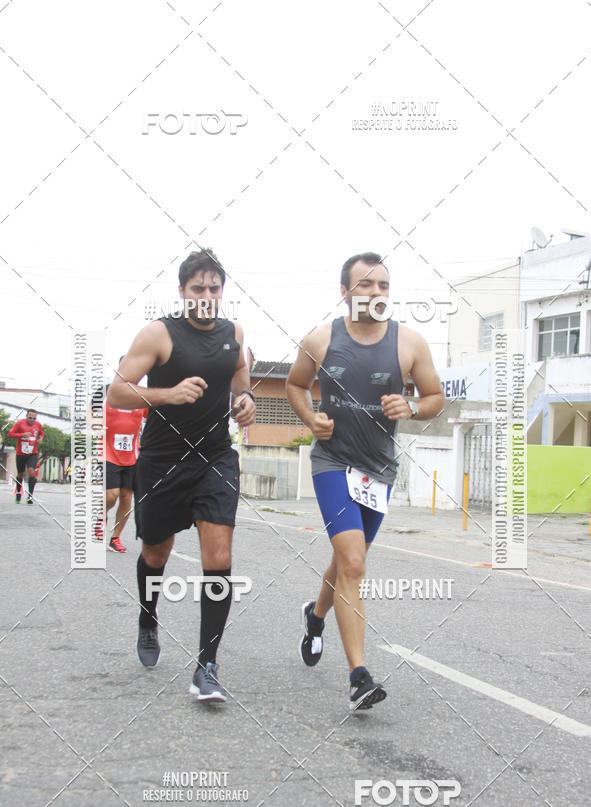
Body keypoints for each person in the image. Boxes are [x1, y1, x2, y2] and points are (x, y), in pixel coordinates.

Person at [286, 252, 444, 710]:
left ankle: (315, 618)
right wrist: (309, 417)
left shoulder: (409, 344)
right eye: (366, 285)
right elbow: (296, 385)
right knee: (353, 562)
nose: (376, 294)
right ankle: (359, 677)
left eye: (383, 286)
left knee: (346, 561)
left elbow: (434, 397)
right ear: (345, 292)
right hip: (332, 463)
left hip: (378, 472)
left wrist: (412, 407)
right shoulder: (320, 339)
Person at [107, 248, 255, 702]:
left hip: (214, 458)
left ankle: (206, 666)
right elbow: (116, 390)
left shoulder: (234, 333)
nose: (207, 295)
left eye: (214, 288)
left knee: (219, 554)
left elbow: (240, 375)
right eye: (198, 288)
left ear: (222, 291)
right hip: (163, 459)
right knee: (156, 550)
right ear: (182, 292)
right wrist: (168, 394)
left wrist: (245, 399)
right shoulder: (159, 334)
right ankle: (148, 617)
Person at [95, 361, 146, 552]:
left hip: (132, 455)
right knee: (111, 495)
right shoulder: (106, 391)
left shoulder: (142, 395)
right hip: (108, 452)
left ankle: (115, 538)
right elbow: (90, 414)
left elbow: (154, 416)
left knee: (126, 498)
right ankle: (101, 517)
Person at [8, 409, 45, 504]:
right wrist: (22, 434)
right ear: (26, 416)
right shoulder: (20, 423)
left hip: (32, 453)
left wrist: (40, 438)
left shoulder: (38, 425)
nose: (32, 420)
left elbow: (41, 433)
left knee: (31, 472)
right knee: (20, 474)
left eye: (34, 418)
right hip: (21, 453)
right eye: (30, 418)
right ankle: (19, 492)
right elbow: (10, 434)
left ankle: (30, 496)